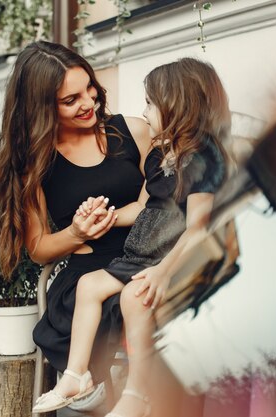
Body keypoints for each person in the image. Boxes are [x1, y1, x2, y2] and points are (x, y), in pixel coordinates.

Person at [32, 57, 231, 416]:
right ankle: (76, 374)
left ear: (177, 106)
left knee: (132, 298)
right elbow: (144, 206)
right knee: (88, 287)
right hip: (138, 251)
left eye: (151, 103)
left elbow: (199, 226)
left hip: (162, 256)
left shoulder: (200, 157)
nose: (144, 112)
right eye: (71, 99)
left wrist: (163, 270)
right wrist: (95, 220)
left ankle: (135, 395)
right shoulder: (167, 155)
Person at [0, 40, 152, 404]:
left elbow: (167, 194)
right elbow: (39, 249)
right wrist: (76, 232)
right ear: (40, 107)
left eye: (89, 89)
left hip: (148, 256)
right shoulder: (36, 164)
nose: (89, 103)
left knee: (140, 293)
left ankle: (121, 392)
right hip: (87, 274)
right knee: (118, 299)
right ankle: (101, 388)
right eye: (71, 100)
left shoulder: (133, 132)